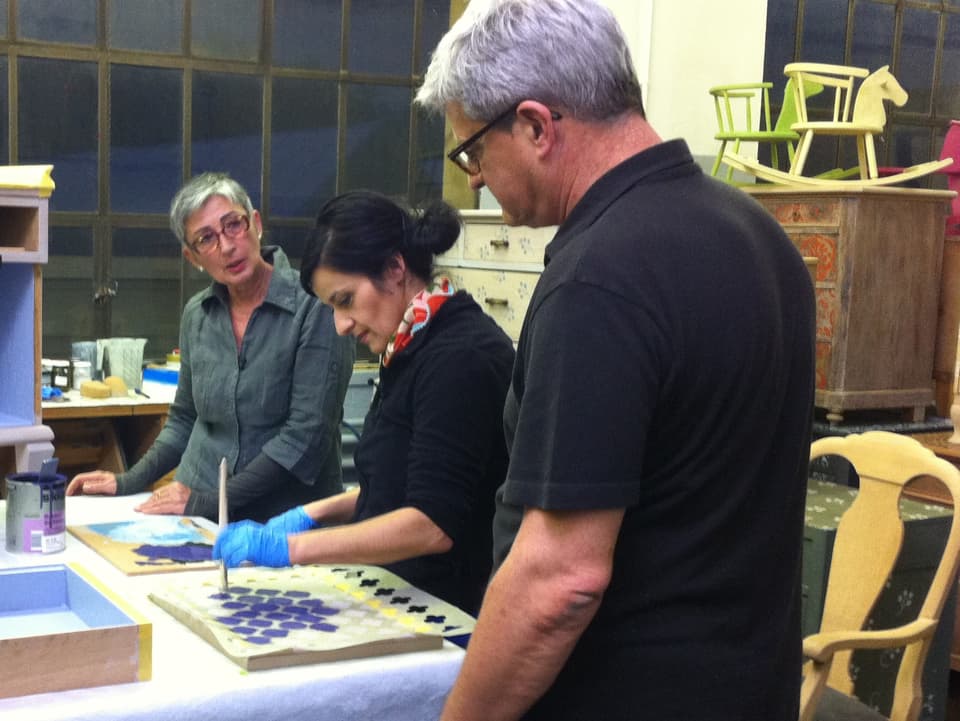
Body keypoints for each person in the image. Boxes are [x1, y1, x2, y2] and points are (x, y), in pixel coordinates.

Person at [415, 1, 816, 720]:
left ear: (535, 125)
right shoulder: (759, 234)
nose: (473, 178)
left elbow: (559, 578)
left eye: (472, 150)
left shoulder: (600, 277)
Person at [213, 191, 515, 615]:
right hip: (400, 591)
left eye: (345, 301)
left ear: (394, 269)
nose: (340, 326)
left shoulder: (461, 358)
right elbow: (393, 486)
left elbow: (431, 524)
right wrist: (311, 512)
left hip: (448, 615)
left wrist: (292, 547)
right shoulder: (409, 345)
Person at [66, 172, 355, 522]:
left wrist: (208, 501)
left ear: (256, 224)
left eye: (233, 224)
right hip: (196, 513)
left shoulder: (316, 305)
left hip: (284, 519)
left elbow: (305, 437)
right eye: (206, 239)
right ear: (193, 258)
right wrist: (127, 481)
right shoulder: (197, 315)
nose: (227, 246)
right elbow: (185, 419)